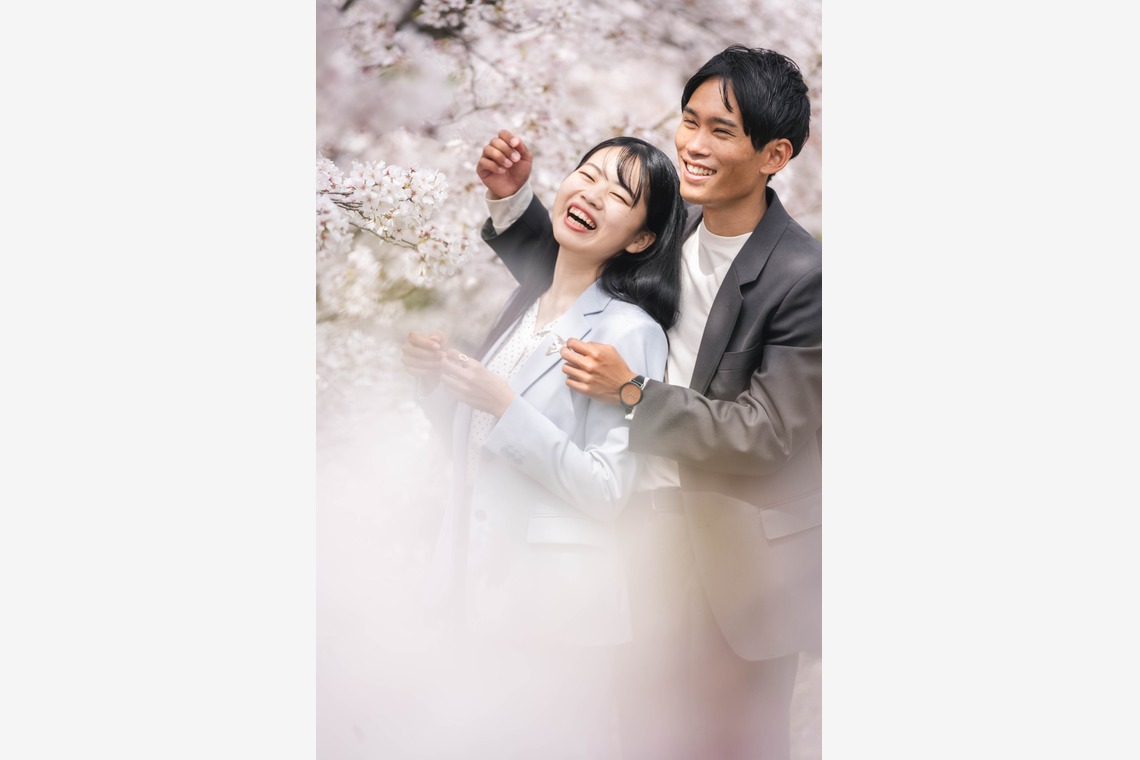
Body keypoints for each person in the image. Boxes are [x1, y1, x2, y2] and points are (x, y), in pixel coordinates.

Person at [475, 45, 821, 760]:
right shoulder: (673, 230)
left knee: (730, 745)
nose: (692, 145)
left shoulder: (803, 275)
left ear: (773, 154)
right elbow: (583, 266)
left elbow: (769, 434)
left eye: (721, 131)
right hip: (632, 540)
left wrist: (632, 392)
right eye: (690, 121)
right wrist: (514, 203)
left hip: (733, 568)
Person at [401, 135, 686, 758]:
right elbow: (479, 447)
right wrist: (436, 379)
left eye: (620, 194)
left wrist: (505, 404)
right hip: (470, 587)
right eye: (588, 174)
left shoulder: (630, 333)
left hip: (550, 612)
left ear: (639, 239)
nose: (592, 194)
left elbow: (609, 490)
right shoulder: (529, 303)